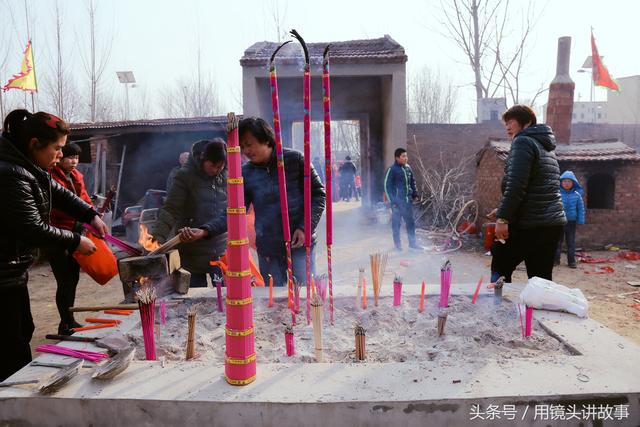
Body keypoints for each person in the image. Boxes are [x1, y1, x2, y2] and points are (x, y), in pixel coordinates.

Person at [0, 109, 107, 381]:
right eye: (57, 148)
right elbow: (30, 227)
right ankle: (12, 402)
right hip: (2, 271)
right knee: (10, 344)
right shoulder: (9, 172)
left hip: (12, 270)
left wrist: (90, 215)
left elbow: (59, 194)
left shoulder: (29, 165)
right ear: (35, 144)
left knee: (22, 331)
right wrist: (75, 240)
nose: (61, 154)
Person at [238, 117, 325, 287]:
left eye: (249, 144)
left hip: (299, 243)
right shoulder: (246, 173)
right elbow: (236, 209)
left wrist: (304, 227)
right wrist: (206, 230)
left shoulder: (296, 160)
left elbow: (318, 195)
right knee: (273, 299)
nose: (246, 151)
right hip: (268, 248)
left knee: (304, 294)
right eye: (242, 147)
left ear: (265, 139)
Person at [489, 105, 566, 283]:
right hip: (551, 224)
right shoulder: (546, 147)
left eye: (511, 122)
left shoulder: (523, 142)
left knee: (500, 264)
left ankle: (498, 308)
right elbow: (537, 188)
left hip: (530, 223)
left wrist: (503, 219)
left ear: (527, 122)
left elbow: (516, 185)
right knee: (540, 280)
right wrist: (502, 209)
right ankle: (537, 310)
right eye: (505, 123)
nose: (507, 127)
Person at [152, 139, 228, 288]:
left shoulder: (226, 174)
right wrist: (156, 240)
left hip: (220, 247)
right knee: (195, 298)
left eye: (221, 166)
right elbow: (170, 209)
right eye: (213, 166)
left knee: (225, 296)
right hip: (191, 248)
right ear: (202, 159)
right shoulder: (185, 176)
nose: (217, 170)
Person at [48, 142, 94, 334]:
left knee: (73, 278)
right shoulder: (50, 177)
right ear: (60, 158)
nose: (74, 161)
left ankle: (68, 321)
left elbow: (84, 200)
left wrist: (93, 216)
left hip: (75, 234)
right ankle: (65, 322)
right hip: (57, 235)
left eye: (76, 157)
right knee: (64, 280)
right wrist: (78, 218)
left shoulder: (77, 176)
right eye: (69, 157)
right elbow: (58, 207)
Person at [384, 148, 421, 251]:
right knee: (396, 223)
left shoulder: (408, 168)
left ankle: (412, 244)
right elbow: (387, 186)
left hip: (407, 201)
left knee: (410, 222)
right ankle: (397, 244)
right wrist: (392, 202)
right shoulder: (392, 170)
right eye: (403, 156)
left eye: (406, 156)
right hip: (397, 203)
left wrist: (415, 194)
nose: (406, 158)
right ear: (397, 158)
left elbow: (412, 182)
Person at [555, 171, 585, 268]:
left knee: (571, 242)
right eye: (564, 181)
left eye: (569, 181)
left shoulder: (577, 195)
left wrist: (580, 220)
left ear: (573, 183)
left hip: (571, 223)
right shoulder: (557, 194)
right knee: (557, 242)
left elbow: (581, 209)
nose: (566, 183)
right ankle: (555, 260)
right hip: (559, 222)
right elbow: (552, 207)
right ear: (561, 182)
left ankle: (571, 261)